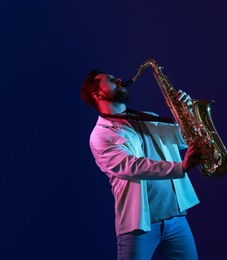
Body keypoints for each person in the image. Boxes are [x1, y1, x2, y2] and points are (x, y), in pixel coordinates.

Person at [80, 70, 205, 260]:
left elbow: (184, 139)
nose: (119, 79)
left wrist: (186, 112)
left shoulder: (147, 117)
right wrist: (181, 167)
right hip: (139, 226)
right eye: (111, 80)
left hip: (176, 219)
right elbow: (132, 167)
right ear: (97, 94)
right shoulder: (100, 136)